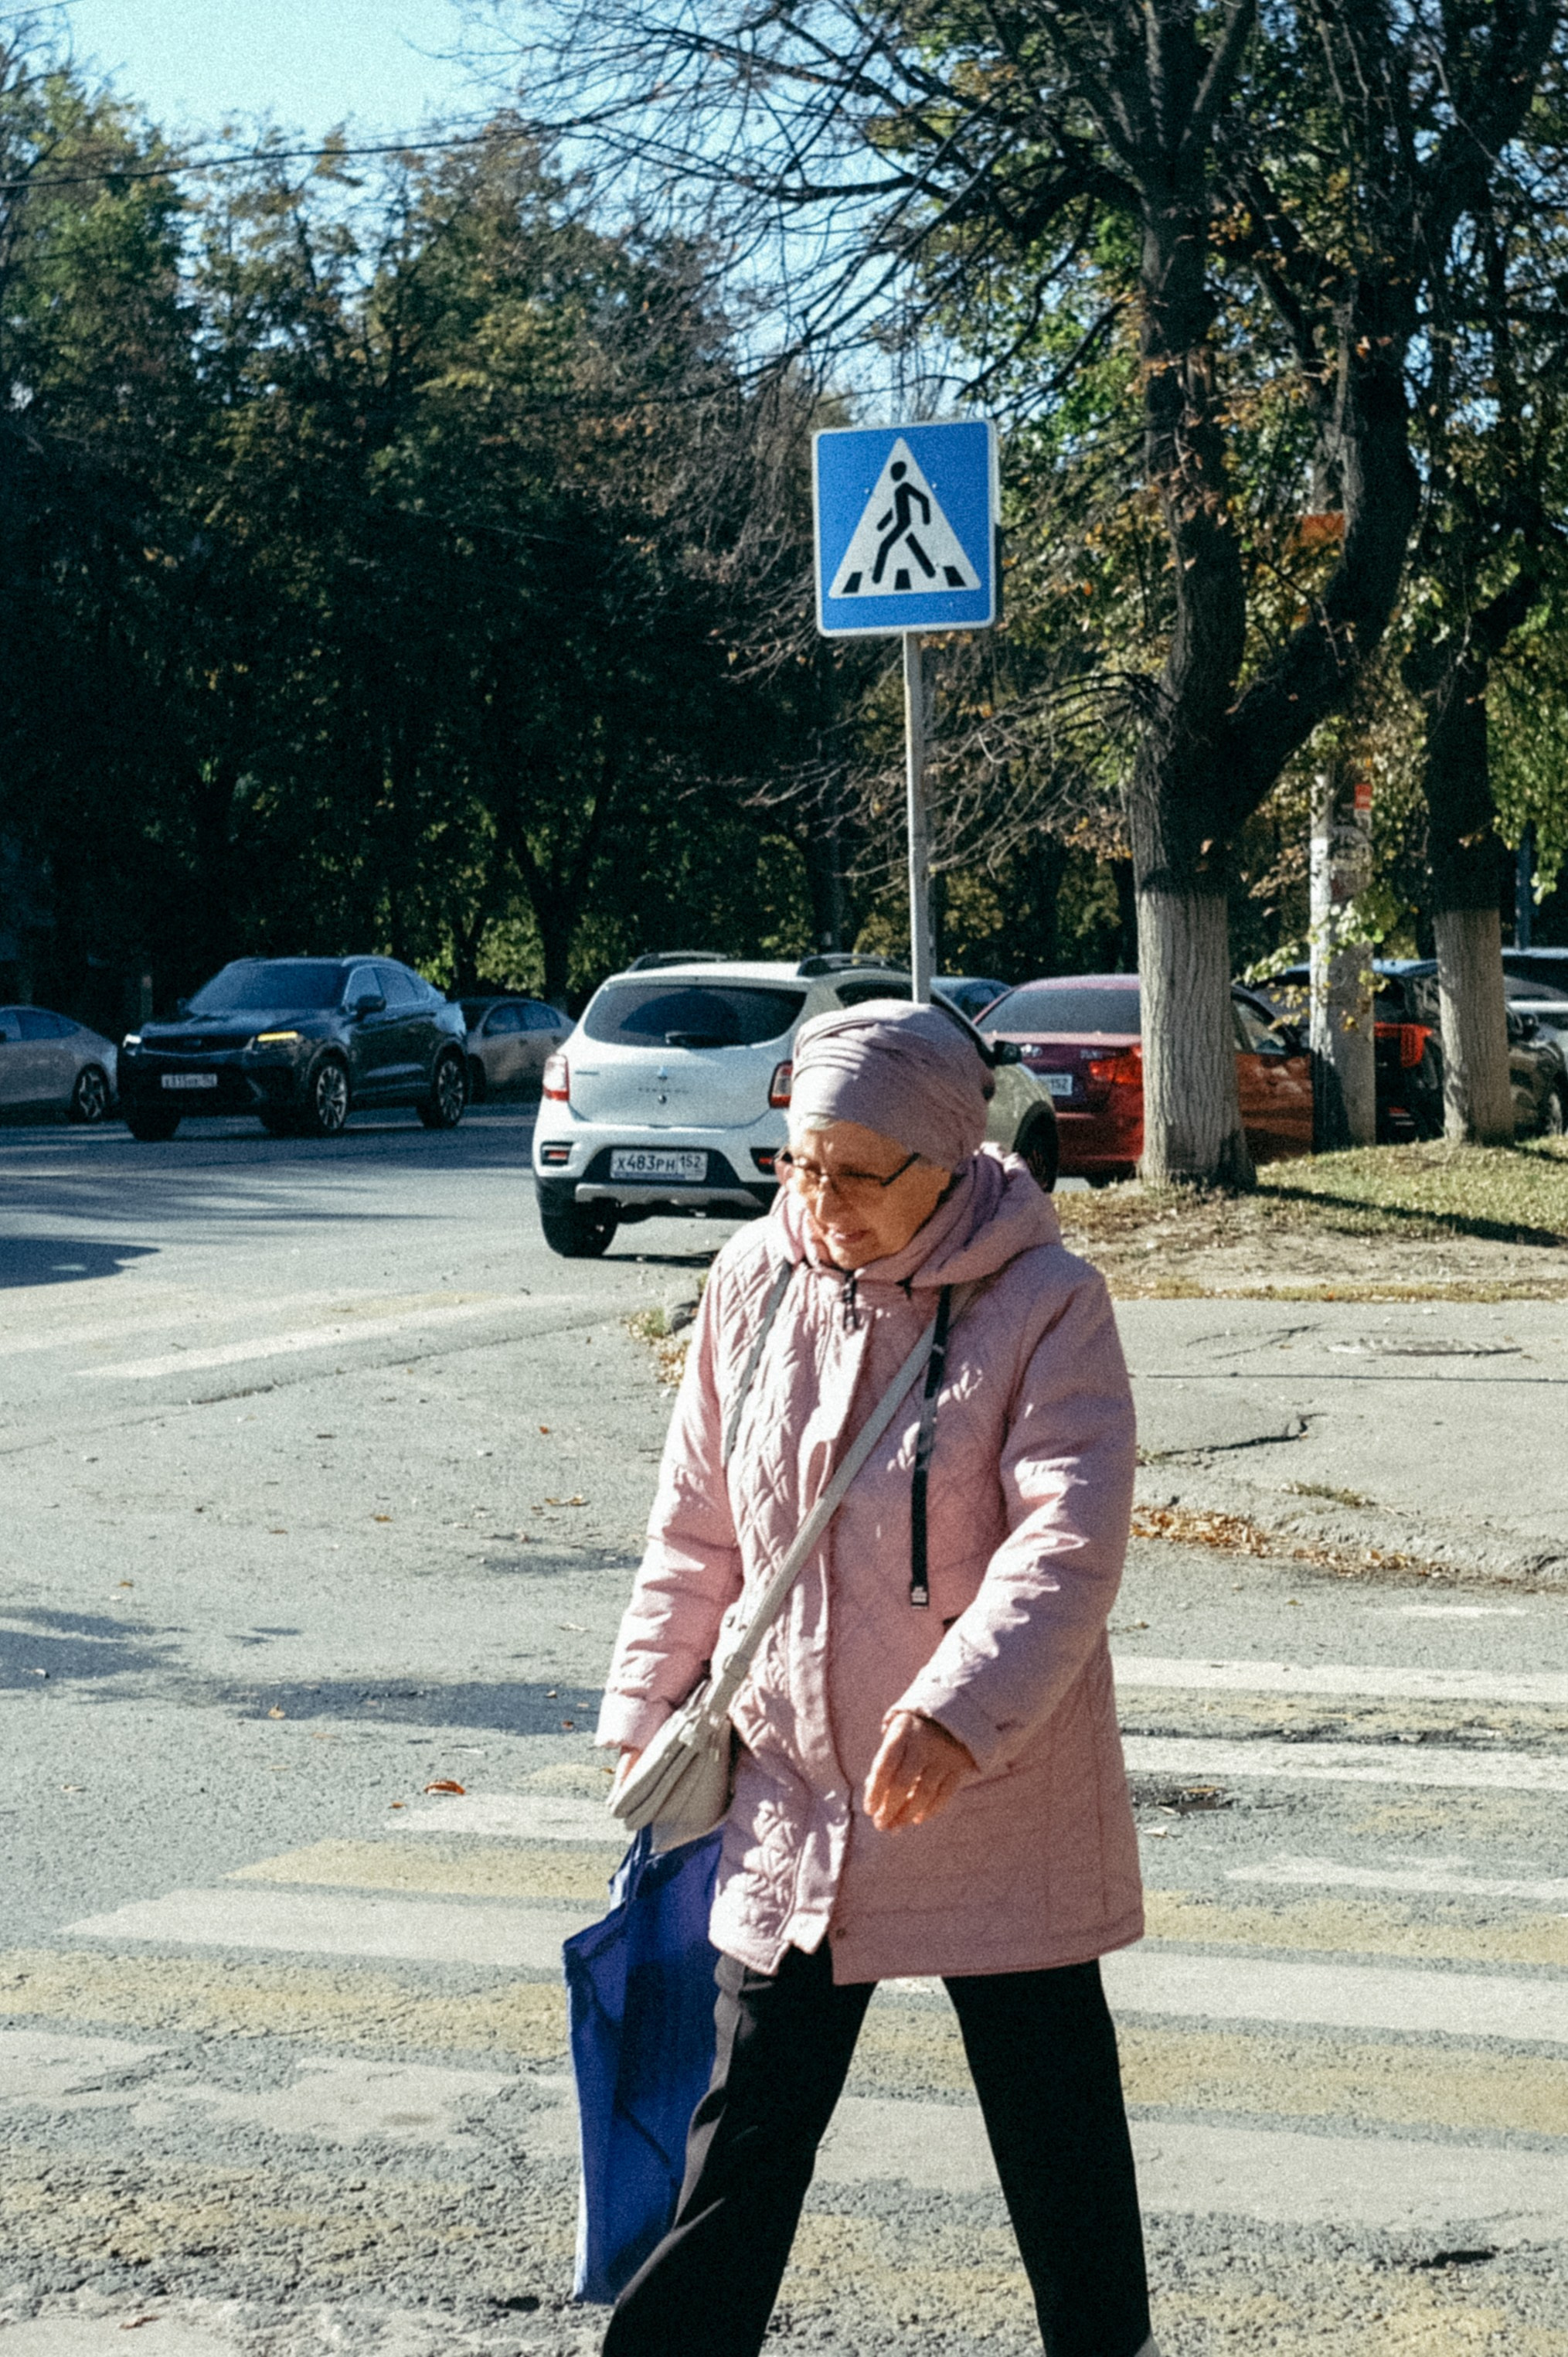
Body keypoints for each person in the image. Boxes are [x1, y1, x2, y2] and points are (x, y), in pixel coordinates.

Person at [596, 999, 1159, 2357]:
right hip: (797, 1786)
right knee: (739, 2141)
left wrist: (959, 1715)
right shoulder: (749, 1282)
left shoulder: (1047, 1305)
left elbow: (1065, 1541)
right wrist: (646, 1708)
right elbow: (698, 1529)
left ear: (949, 1157)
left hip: (986, 1784)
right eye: (800, 1161)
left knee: (1054, 2130)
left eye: (858, 1169)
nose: (821, 1196)